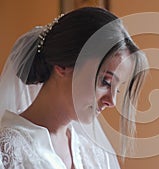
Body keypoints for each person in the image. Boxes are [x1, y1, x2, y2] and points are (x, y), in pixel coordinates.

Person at [0, 7, 148, 169]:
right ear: (63, 65)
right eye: (105, 82)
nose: (111, 101)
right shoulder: (8, 151)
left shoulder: (93, 153)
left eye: (117, 89)